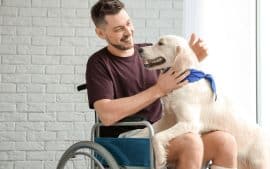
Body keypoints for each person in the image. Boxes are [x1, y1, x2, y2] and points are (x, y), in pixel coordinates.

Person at [86, 0, 238, 169]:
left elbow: (180, 80)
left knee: (225, 142)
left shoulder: (150, 52)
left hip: (163, 130)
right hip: (125, 139)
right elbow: (106, 115)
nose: (128, 32)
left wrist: (190, 58)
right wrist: (157, 90)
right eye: (119, 29)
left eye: (128, 23)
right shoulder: (99, 63)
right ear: (101, 33)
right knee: (191, 142)